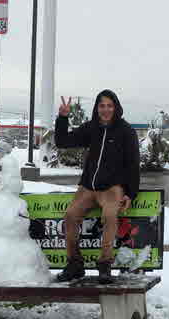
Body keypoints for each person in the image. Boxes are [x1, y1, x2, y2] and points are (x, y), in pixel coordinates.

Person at [54, 89, 140, 284]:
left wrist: (130, 193)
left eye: (110, 105)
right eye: (102, 106)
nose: (106, 109)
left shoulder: (126, 131)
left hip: (112, 189)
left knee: (109, 216)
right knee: (70, 216)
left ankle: (104, 265)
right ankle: (75, 264)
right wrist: (63, 117)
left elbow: (134, 164)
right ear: (97, 108)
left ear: (116, 107)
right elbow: (62, 141)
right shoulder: (91, 128)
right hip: (88, 187)